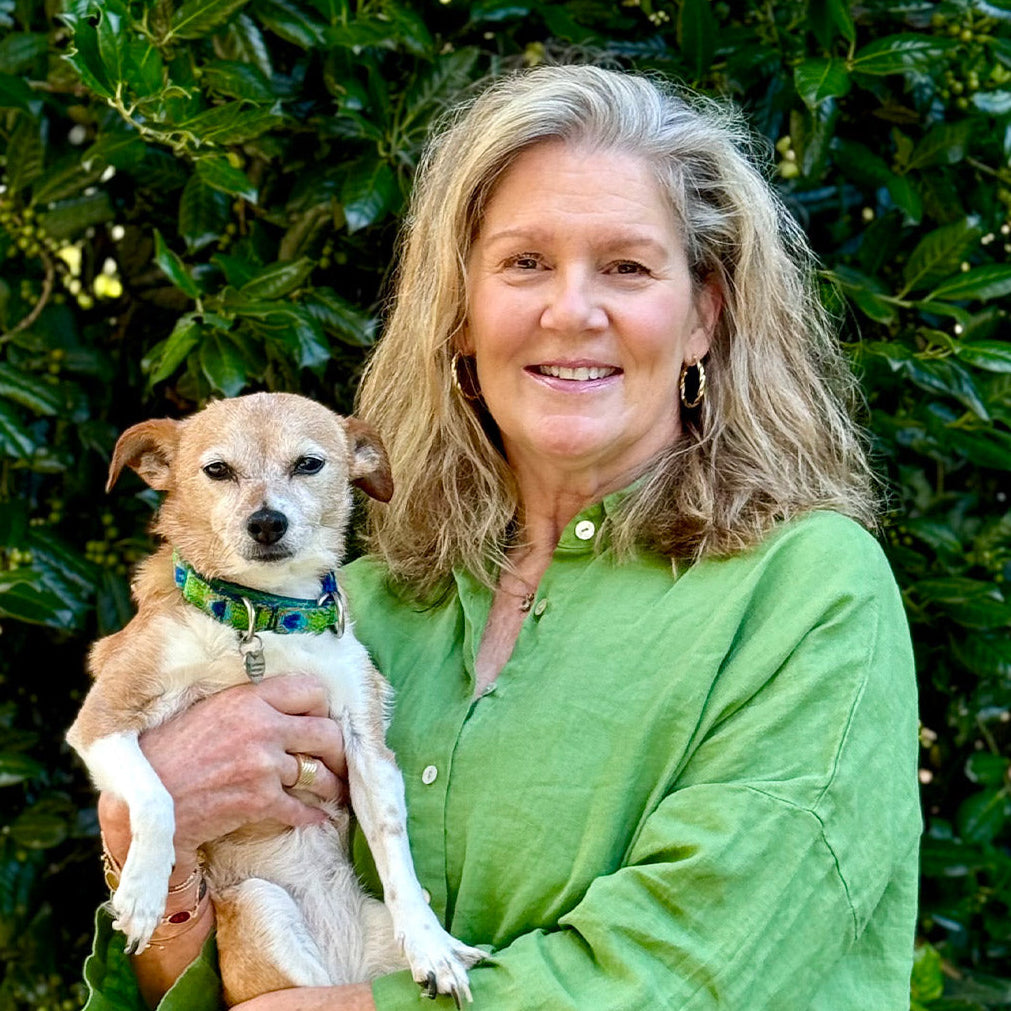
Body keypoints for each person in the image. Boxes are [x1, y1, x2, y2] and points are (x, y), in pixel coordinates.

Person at [82, 64, 920, 1010]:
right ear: (461, 316)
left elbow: (692, 967)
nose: (571, 309)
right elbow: (187, 981)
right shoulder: (368, 602)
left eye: (627, 267)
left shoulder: (807, 588)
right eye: (524, 263)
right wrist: (153, 836)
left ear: (702, 317)